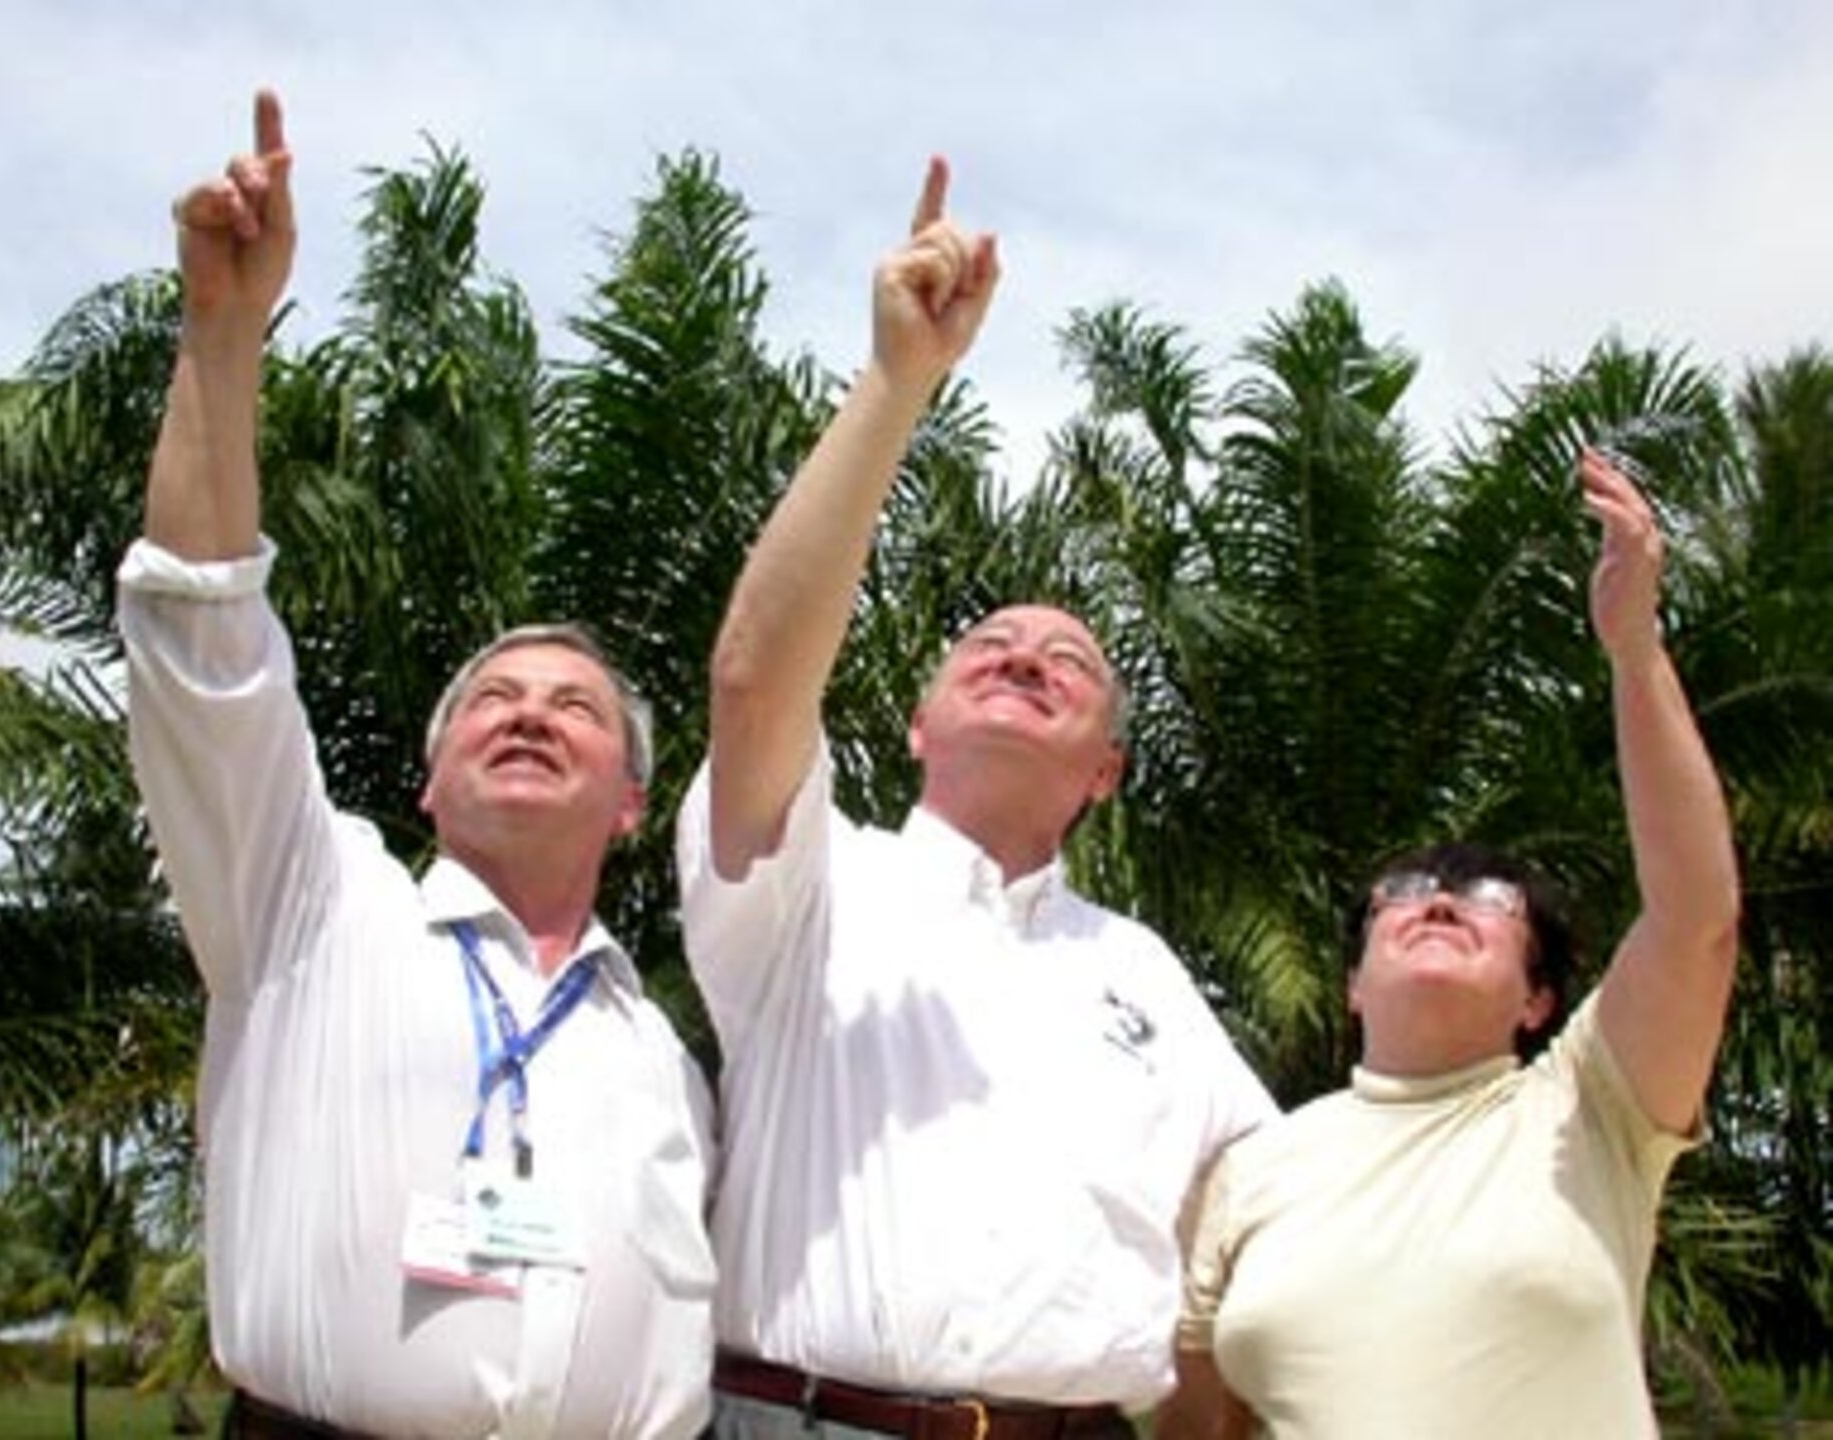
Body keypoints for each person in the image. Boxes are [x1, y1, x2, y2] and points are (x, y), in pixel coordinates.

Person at [117, 90, 715, 1439]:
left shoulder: (662, 1057)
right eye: (490, 698)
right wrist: (223, 333)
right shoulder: (312, 906)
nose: (528, 711)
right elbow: (206, 647)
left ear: (629, 803)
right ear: (429, 784)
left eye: (575, 705)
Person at [674, 157, 1276, 1438]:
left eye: (1071, 662)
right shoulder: (814, 880)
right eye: (986, 645)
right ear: (917, 722)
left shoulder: (1149, 977)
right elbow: (751, 678)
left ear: (1105, 770)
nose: (1023, 655)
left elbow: (1267, 1218)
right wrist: (898, 386)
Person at [1158, 449, 1742, 1439]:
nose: (1437, 901)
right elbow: (1202, 1426)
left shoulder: (1588, 1109)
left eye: (1485, 894)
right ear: (1352, 984)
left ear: (1536, 1000)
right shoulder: (1252, 1171)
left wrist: (1634, 649)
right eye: (1405, 893)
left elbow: (1696, 918)